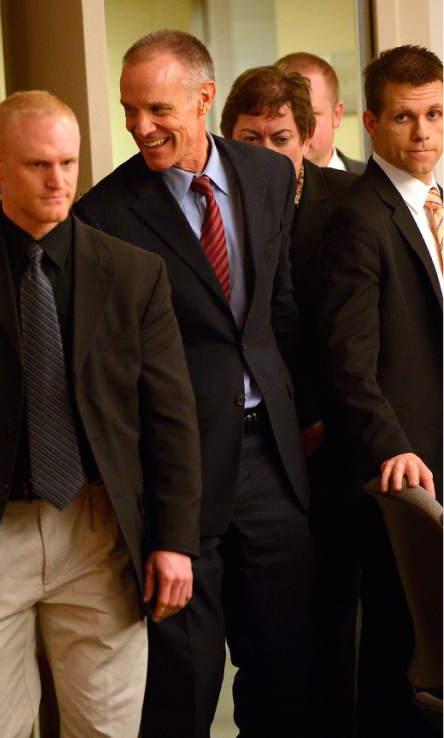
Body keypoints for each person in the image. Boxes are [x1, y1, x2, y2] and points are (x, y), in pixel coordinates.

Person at [74, 28, 316, 738]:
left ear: (204, 98)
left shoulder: (268, 176)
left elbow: (279, 310)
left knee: (285, 676)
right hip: (180, 479)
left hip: (273, 462)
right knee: (183, 688)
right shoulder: (104, 216)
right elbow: (109, 376)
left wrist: (306, 415)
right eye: (129, 109)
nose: (139, 126)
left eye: (158, 109)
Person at [0, 90, 202, 738]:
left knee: (107, 729)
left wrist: (174, 539)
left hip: (99, 530)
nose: (58, 180)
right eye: (38, 165)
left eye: (68, 162)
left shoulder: (134, 273)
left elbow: (171, 417)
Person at [221, 62, 359, 738]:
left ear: (307, 138)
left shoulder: (351, 203)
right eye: (250, 138)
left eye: (280, 138)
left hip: (342, 441)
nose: (267, 153)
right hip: (261, 448)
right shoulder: (218, 206)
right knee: (272, 639)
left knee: (340, 627)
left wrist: (321, 415)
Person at [319, 45, 443, 738]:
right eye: (404, 117)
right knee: (403, 653)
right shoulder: (361, 217)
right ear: (370, 122)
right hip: (405, 474)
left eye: (435, 114)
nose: (422, 132)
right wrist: (394, 449)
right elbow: (348, 361)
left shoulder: (438, 204)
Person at [279, 51, 365, 173]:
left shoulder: (373, 181)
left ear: (336, 115)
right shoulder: (253, 183)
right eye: (284, 116)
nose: (297, 129)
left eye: (309, 115)